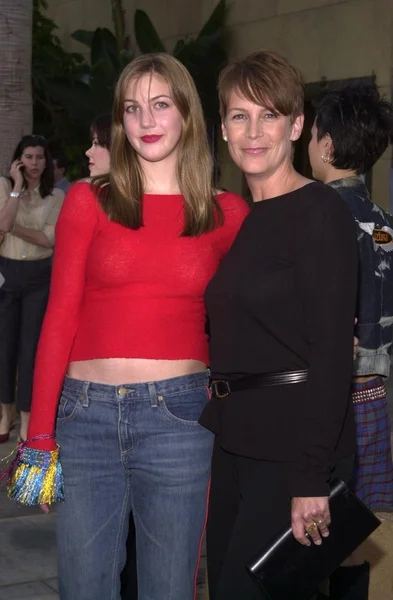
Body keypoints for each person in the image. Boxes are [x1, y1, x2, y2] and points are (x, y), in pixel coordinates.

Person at [7, 53, 249, 600]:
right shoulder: (88, 203)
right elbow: (60, 318)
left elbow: (260, 305)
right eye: (133, 108)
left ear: (186, 114)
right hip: (83, 416)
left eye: (161, 104)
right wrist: (39, 438)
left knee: (168, 589)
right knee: (83, 590)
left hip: (180, 421)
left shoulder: (227, 212)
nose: (146, 120)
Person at [199, 50, 358, 600]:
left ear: (296, 126)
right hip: (234, 441)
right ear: (222, 130)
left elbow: (334, 353)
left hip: (293, 450)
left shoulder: (320, 212)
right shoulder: (244, 220)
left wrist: (312, 478)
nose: (253, 131)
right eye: (239, 116)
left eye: (269, 115)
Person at [308, 82, 393, 600]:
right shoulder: (384, 223)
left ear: (326, 145)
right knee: (352, 532)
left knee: (308, 531)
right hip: (374, 396)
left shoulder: (315, 215)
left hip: (325, 398)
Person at [87, 110, 138, 599]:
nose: (87, 153)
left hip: (168, 405)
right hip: (91, 401)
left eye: (97, 144)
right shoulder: (84, 206)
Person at [0, 135, 64, 443]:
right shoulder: (3, 187)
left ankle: (26, 417)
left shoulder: (56, 197)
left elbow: (47, 240)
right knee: (4, 348)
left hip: (39, 277)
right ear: (18, 160)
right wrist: (14, 189)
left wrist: (11, 226)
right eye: (28, 156)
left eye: (40, 157)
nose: (34, 163)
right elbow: (2, 224)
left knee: (29, 351)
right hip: (6, 273)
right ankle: (4, 413)